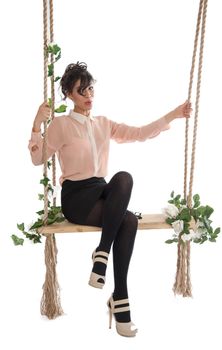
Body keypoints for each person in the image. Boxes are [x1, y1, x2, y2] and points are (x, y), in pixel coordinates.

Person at [28, 61, 192, 337]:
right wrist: (36, 123)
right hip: (77, 197)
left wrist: (174, 114)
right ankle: (117, 292)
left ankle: (110, 273)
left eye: (91, 89)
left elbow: (140, 133)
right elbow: (37, 158)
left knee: (124, 181)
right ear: (68, 94)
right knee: (126, 219)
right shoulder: (60, 125)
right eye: (82, 91)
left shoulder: (103, 124)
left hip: (101, 190)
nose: (89, 96)